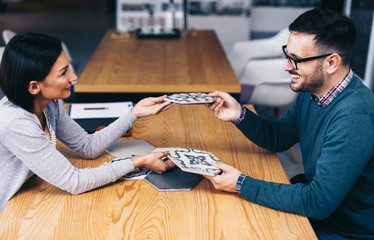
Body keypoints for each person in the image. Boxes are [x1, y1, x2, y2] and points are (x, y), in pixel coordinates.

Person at [204, 8, 374, 240]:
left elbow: (317, 202)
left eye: (296, 59)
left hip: (342, 230)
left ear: (331, 62)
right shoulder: (314, 89)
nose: (286, 66)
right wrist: (239, 114)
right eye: (287, 54)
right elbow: (280, 137)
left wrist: (240, 183)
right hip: (319, 213)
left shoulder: (355, 115)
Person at [0, 32, 176, 213]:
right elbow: (74, 182)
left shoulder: (49, 103)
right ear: (35, 86)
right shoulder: (16, 123)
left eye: (68, 68)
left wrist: (133, 113)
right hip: (8, 210)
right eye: (63, 73)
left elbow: (87, 146)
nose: (74, 77)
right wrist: (139, 161)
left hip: (27, 193)